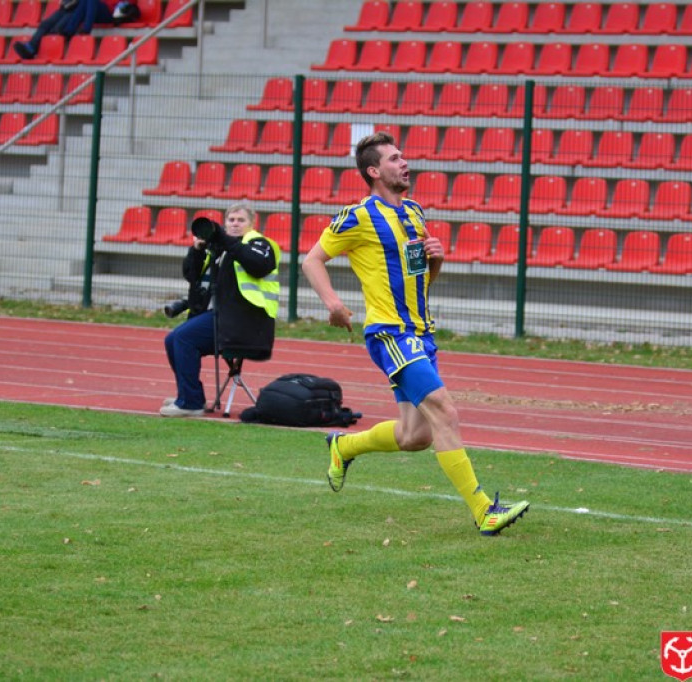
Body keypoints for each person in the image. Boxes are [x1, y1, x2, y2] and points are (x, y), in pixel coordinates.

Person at [301, 132, 529, 536]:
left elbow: (421, 280)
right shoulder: (359, 216)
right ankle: (483, 511)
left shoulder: (415, 213)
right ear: (374, 171)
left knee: (415, 436)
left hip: (422, 333)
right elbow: (312, 259)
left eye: (403, 156)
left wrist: (435, 261)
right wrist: (333, 304)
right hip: (390, 332)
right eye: (394, 158)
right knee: (445, 410)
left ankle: (344, 446)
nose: (404, 162)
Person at [161, 203, 281, 417]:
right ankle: (189, 395)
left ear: (252, 223)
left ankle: (190, 403)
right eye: (231, 220)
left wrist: (226, 241)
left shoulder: (260, 244)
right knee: (173, 340)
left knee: (183, 338)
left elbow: (259, 265)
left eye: (240, 220)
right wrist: (197, 250)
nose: (235, 224)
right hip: (223, 319)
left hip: (246, 323)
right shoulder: (219, 250)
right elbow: (192, 275)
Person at [12, 0, 116, 61]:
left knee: (56, 30)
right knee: (45, 24)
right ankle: (31, 47)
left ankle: (46, 55)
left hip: (76, 11)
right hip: (67, 7)